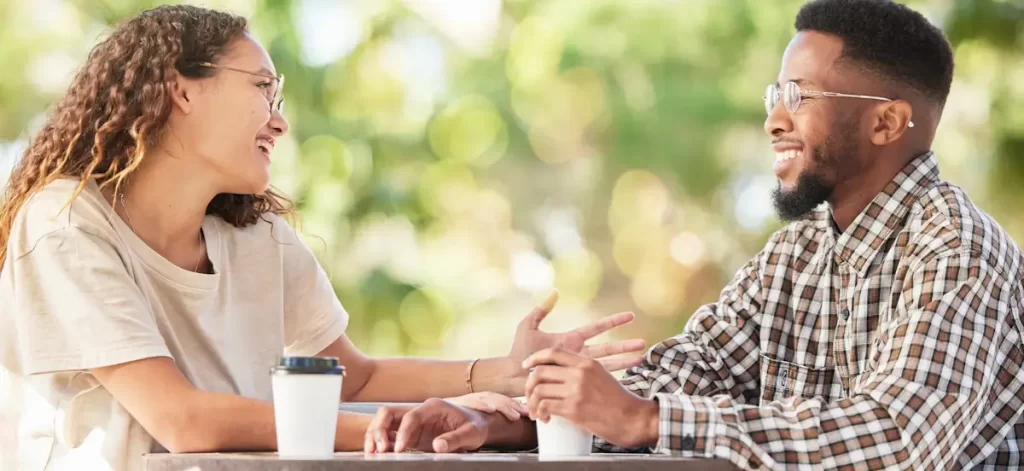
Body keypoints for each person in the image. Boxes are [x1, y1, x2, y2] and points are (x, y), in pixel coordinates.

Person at [362, 0, 1024, 468]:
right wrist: (501, 416)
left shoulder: (956, 247)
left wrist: (645, 421)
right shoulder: (796, 253)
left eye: (801, 94)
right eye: (775, 93)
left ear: (886, 124)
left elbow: (899, 440)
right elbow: (683, 373)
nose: (773, 120)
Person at [0, 5, 647, 471]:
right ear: (180, 90)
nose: (278, 121)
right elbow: (182, 421)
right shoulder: (65, 223)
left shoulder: (257, 238)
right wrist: (399, 431)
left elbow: (355, 377)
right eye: (262, 88)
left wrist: (501, 373)